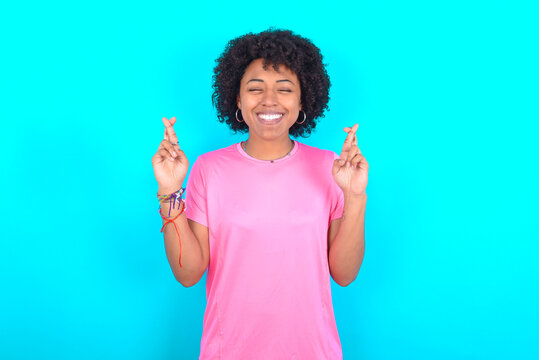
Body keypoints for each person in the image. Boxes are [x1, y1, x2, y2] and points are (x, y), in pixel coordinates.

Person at [151, 28, 368, 360]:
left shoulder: (330, 168)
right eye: (255, 89)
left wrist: (354, 197)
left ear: (302, 101)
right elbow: (188, 273)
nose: (269, 101)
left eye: (284, 89)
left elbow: (345, 274)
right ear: (237, 99)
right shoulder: (209, 170)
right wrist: (169, 190)